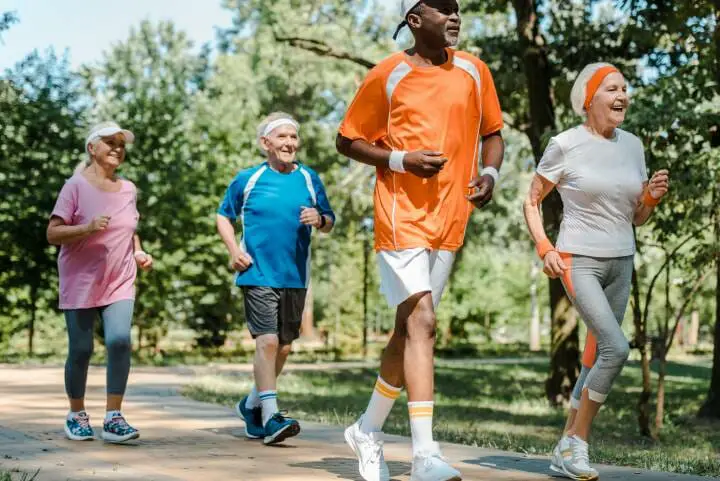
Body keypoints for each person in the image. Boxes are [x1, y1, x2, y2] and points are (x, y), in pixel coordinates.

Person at [336, 1, 504, 480]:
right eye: (442, 9)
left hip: (451, 218)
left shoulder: (475, 70)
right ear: (414, 20)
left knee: (409, 331)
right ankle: (426, 453)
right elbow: (346, 140)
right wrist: (400, 160)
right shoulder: (387, 74)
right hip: (400, 213)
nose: (454, 17)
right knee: (424, 322)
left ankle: (367, 430)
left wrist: (489, 172)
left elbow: (493, 133)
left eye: (457, 10)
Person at [522, 62, 670, 480]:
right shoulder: (565, 144)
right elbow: (531, 200)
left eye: (624, 88)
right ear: (589, 99)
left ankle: (564, 447)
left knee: (594, 355)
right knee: (616, 349)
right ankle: (578, 442)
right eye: (611, 88)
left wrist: (652, 199)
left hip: (622, 260)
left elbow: (636, 218)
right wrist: (544, 246)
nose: (622, 95)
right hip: (577, 259)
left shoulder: (634, 146)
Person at [216, 112, 335, 446]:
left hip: (295, 275)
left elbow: (329, 220)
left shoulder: (310, 178)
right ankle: (271, 417)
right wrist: (232, 251)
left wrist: (320, 218)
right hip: (257, 271)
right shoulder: (248, 179)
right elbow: (223, 216)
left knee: (283, 347)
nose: (289, 143)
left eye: (294, 138)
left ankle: (252, 404)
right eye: (282, 137)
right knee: (266, 342)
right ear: (265, 143)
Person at [47, 121, 154, 444]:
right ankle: (77, 414)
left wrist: (138, 252)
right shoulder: (75, 186)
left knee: (120, 340)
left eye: (121, 144)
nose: (118, 148)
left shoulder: (128, 189)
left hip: (119, 278)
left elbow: (129, 228)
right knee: (81, 349)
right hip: (80, 279)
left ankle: (113, 417)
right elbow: (52, 233)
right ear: (92, 148)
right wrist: (87, 227)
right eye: (110, 142)